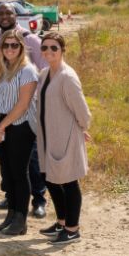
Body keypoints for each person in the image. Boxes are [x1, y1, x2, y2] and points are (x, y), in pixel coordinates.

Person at [0, 2, 49, 218]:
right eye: (0, 13)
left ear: (15, 15)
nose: (4, 16)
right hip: (1, 111)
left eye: (8, 12)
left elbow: (44, 71)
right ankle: (12, 200)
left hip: (25, 112)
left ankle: (38, 199)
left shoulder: (31, 40)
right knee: (9, 164)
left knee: (30, 160)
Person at [33, 31, 92, 244]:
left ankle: (72, 229)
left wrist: (81, 128)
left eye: (53, 48)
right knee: (51, 179)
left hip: (65, 136)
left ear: (62, 50)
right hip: (48, 136)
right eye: (44, 47)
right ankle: (61, 221)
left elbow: (82, 111)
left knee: (68, 182)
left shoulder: (68, 76)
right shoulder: (44, 73)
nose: (48, 51)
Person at [0, 29, 40, 236]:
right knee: (6, 171)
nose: (10, 49)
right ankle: (10, 214)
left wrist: (2, 126)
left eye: (14, 45)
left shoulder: (28, 71)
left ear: (21, 48)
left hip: (20, 125)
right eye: (6, 45)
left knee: (19, 172)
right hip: (0, 123)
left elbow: (23, 104)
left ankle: (21, 219)